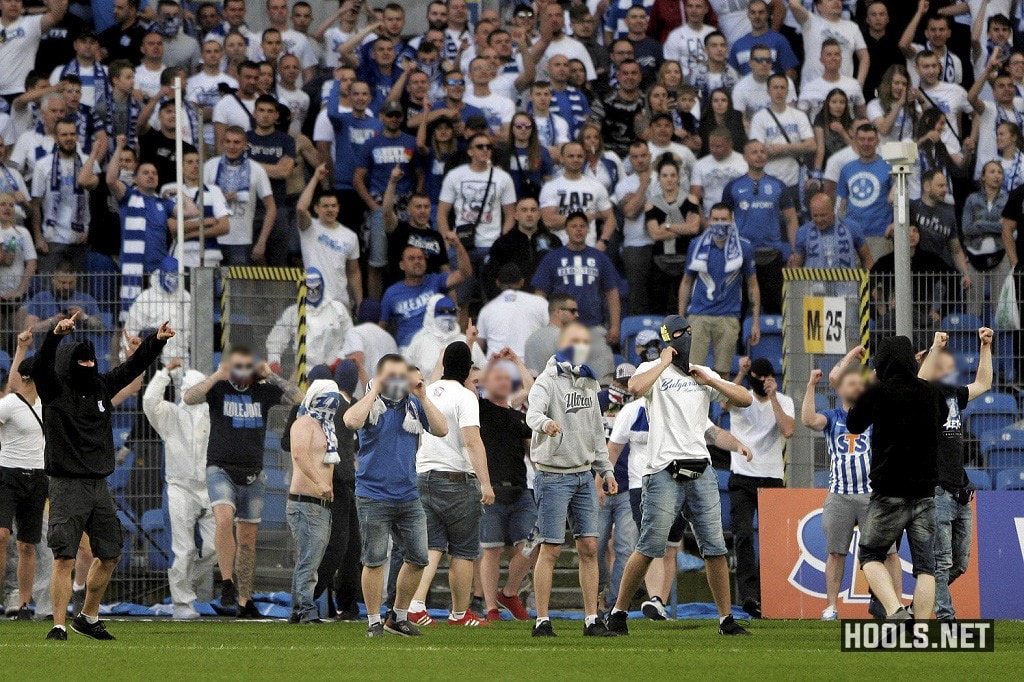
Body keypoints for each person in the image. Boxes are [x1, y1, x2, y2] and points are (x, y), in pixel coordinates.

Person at [605, 314, 754, 636]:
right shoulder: (652, 372)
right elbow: (634, 387)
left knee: (715, 547)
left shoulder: (704, 374)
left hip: (700, 468)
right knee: (649, 546)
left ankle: (726, 619)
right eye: (679, 334)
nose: (686, 338)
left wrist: (711, 381)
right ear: (668, 340)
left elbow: (744, 399)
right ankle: (618, 612)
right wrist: (662, 361)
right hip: (662, 471)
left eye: (689, 332)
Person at [37, 313, 171, 641]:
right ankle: (57, 625)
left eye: (91, 359)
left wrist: (156, 342)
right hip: (66, 485)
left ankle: (88, 616)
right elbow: (40, 366)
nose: (88, 364)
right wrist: (54, 336)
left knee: (110, 553)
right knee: (65, 555)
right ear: (69, 363)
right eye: (81, 360)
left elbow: (131, 368)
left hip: (100, 486)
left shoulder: (100, 386)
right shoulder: (54, 389)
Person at [183, 347, 303, 618]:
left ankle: (244, 601)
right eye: (238, 366)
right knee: (224, 520)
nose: (243, 372)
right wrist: (216, 374)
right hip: (220, 468)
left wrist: (271, 376)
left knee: (248, 539)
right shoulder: (219, 388)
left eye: (247, 366)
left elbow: (300, 399)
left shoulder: (262, 391)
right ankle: (227, 582)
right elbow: (189, 398)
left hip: (253, 472)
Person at [342, 354, 448, 637]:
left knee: (418, 558)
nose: (398, 380)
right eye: (392, 374)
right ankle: (374, 620)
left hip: (407, 494)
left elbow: (442, 428)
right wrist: (375, 388)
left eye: (401, 374)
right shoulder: (370, 403)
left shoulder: (413, 404)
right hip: (372, 494)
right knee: (375, 559)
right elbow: (350, 421)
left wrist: (423, 396)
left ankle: (398, 616)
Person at [526, 321, 617, 637]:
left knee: (590, 547)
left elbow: (596, 430)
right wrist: (546, 424)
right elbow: (531, 414)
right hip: (552, 475)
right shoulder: (546, 382)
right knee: (550, 548)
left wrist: (605, 469)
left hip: (582, 474)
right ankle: (542, 619)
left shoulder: (588, 382)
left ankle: (592, 618)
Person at [846, 336, 946, 621]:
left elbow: (853, 423)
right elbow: (939, 420)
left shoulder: (878, 392)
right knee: (926, 568)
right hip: (925, 492)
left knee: (870, 555)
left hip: (889, 490)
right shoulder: (931, 392)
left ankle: (895, 610)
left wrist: (870, 384)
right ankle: (922, 630)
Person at [801, 346, 901, 620]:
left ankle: (896, 607)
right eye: (851, 383)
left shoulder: (875, 413)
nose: (856, 387)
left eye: (861, 383)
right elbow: (808, 419)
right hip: (840, 495)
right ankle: (832, 606)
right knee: (836, 553)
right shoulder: (833, 418)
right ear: (840, 390)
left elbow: (844, 378)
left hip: (873, 495)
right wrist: (811, 384)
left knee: (889, 553)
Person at [406, 342, 494, 627]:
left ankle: (416, 604)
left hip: (423, 475)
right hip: (456, 479)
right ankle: (459, 613)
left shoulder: (427, 391)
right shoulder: (466, 397)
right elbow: (471, 440)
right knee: (463, 550)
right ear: (469, 369)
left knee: (431, 547)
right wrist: (486, 483)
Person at [917, 328, 993, 622]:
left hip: (960, 490)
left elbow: (983, 383)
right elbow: (921, 382)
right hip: (938, 491)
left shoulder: (952, 394)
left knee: (959, 564)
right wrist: (935, 346)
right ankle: (947, 619)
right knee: (942, 562)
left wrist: (985, 346)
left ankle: (922, 602)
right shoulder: (922, 396)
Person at [142, 362, 217, 621]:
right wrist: (163, 374)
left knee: (215, 547)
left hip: (210, 488)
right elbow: (150, 401)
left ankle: (184, 585)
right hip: (180, 488)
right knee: (183, 550)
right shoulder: (171, 415)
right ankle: (182, 602)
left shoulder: (213, 414)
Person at [727, 356, 794, 619]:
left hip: (771, 476)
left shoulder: (784, 400)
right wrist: (741, 375)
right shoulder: (742, 396)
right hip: (742, 475)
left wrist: (774, 398)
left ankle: (770, 593)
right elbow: (724, 401)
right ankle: (749, 595)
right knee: (743, 534)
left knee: (772, 539)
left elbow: (788, 430)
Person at [475, 354, 535, 621]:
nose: (503, 382)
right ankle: (490, 607)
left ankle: (509, 592)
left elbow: (531, 387)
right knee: (491, 550)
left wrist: (516, 361)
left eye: (506, 378)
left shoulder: (514, 413)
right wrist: (491, 363)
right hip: (492, 490)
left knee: (533, 543)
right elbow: (470, 380)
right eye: (497, 378)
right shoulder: (478, 408)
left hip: (520, 489)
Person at [531, 211, 620, 380]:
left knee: (604, 376)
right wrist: (545, 323)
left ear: (588, 230)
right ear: (566, 230)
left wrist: (615, 326)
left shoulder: (599, 257)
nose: (578, 230)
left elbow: (612, 293)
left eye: (582, 226)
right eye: (574, 226)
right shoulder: (552, 258)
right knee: (559, 378)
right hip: (560, 330)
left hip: (592, 327)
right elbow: (539, 294)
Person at [679, 203, 759, 377]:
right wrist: (681, 318)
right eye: (715, 219)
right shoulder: (696, 244)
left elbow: (753, 285)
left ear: (732, 220)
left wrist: (755, 321)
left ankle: (721, 406)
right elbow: (686, 281)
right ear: (708, 220)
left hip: (728, 317)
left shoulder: (743, 247)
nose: (719, 223)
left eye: (724, 219)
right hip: (699, 315)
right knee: (692, 372)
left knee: (723, 375)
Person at [286, 379, 342, 624]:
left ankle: (300, 607)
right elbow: (299, 455)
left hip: (320, 505)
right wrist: (319, 483)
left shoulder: (326, 427)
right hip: (305, 502)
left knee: (312, 558)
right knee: (309, 558)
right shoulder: (304, 423)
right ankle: (304, 609)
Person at [720, 140, 797, 314]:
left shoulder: (778, 186)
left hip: (773, 254)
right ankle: (738, 342)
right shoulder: (733, 187)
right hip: (742, 255)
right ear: (745, 157)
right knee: (740, 307)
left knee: (775, 306)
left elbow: (791, 219)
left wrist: (795, 250)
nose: (759, 155)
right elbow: (723, 219)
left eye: (762, 151)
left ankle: (775, 341)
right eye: (754, 152)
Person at [0, 338, 45, 621]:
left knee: (27, 544)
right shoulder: (10, 404)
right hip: (8, 473)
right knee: (2, 535)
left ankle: (25, 605)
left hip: (37, 475)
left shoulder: (46, 405)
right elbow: (11, 388)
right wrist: (20, 350)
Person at [30, 118, 100, 273]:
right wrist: (38, 238)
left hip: (80, 238)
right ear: (56, 137)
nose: (69, 138)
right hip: (52, 238)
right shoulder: (43, 165)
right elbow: (35, 204)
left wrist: (90, 230)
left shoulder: (90, 163)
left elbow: (97, 201)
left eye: (72, 134)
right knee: (49, 290)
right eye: (64, 135)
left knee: (78, 292)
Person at [203, 126, 276, 265]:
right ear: (222, 143)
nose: (232, 146)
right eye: (228, 141)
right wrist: (222, 198)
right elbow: (199, 200)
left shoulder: (257, 169)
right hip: (212, 238)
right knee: (207, 285)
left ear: (245, 145)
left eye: (237, 142)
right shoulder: (210, 166)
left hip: (241, 241)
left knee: (237, 286)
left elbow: (271, 207)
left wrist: (261, 242)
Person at [381, 241, 471, 350]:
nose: (417, 261)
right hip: (407, 348)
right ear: (402, 265)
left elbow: (464, 273)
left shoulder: (436, 281)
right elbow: (382, 327)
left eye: (420, 258)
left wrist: (458, 245)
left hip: (437, 344)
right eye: (411, 258)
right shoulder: (391, 293)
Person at [297, 164, 362, 308]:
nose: (330, 210)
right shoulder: (309, 227)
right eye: (325, 206)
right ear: (316, 208)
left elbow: (354, 272)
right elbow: (301, 208)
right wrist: (315, 178)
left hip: (341, 303)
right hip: (314, 301)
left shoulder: (350, 236)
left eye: (333, 206)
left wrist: (359, 303)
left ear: (338, 208)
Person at [265, 268, 353, 373]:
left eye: (317, 288)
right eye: (309, 289)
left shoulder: (338, 309)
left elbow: (351, 338)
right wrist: (274, 360)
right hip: (303, 375)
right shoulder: (293, 312)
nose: (313, 292)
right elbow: (276, 340)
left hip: (332, 372)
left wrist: (340, 360)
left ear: (322, 285)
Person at [963, 161, 1010, 320]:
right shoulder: (972, 199)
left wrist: (982, 224)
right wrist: (997, 226)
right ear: (983, 176)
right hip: (975, 255)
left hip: (1000, 254)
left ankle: (1001, 344)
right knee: (973, 307)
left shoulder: (1007, 200)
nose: (996, 175)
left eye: (999, 172)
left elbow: (1009, 230)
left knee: (1002, 307)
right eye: (992, 171)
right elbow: (967, 228)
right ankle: (972, 344)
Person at [837, 123, 893, 251]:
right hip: (850, 236)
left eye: (870, 139)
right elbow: (842, 204)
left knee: (877, 272)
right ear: (855, 141)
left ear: (877, 142)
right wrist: (838, 231)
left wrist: (895, 224)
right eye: (862, 139)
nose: (866, 143)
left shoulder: (889, 167)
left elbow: (897, 199)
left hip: (879, 235)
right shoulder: (847, 169)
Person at [476, 264, 548, 358]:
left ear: (498, 283)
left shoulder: (486, 309)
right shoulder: (540, 302)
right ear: (522, 282)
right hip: (529, 368)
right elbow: (552, 333)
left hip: (496, 367)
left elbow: (478, 346)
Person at [791, 193, 873, 269]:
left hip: (847, 283)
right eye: (815, 215)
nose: (819, 220)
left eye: (823, 215)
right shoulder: (803, 232)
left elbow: (867, 259)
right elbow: (796, 266)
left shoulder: (852, 227)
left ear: (832, 211)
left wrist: (871, 282)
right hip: (814, 283)